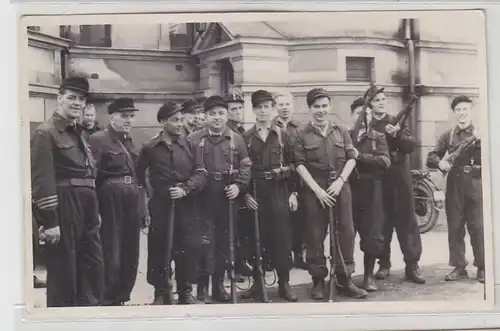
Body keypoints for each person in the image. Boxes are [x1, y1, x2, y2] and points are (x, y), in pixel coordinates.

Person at [30, 76, 104, 307]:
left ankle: (87, 314)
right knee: (65, 269)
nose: (77, 103)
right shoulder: (46, 132)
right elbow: (42, 179)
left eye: (81, 99)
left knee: (91, 264)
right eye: (71, 97)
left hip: (87, 205)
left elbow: (88, 175)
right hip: (65, 204)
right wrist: (50, 221)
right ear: (59, 98)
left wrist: (95, 209)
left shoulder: (77, 133)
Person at [291, 88, 367, 300]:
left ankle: (344, 278)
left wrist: (342, 180)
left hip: (340, 187)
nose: (321, 110)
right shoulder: (300, 133)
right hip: (314, 190)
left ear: (329, 107)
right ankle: (317, 280)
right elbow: (299, 165)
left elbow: (352, 157)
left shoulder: (340, 130)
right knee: (315, 235)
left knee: (346, 232)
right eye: (316, 106)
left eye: (324, 106)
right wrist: (317, 191)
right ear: (309, 109)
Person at [136, 102, 207, 305]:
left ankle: (185, 292)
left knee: (188, 248)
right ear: (162, 122)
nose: (179, 124)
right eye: (174, 120)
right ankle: (161, 291)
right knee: (160, 248)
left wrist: (185, 189)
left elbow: (201, 173)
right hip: (161, 206)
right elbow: (139, 176)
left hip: (187, 205)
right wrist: (151, 197)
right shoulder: (150, 147)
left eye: (181, 120)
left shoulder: (191, 145)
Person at [187, 96, 252, 303]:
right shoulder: (194, 139)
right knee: (203, 242)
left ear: (227, 115)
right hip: (202, 196)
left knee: (225, 242)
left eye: (221, 113)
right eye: (212, 114)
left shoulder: (236, 139)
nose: (217, 118)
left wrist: (238, 185)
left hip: (227, 195)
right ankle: (202, 288)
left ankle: (218, 287)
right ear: (205, 116)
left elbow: (246, 166)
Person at [87, 98, 147, 306]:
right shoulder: (98, 139)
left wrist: (143, 206)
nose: (128, 120)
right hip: (109, 198)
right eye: (124, 116)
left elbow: (139, 177)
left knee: (131, 247)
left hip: (131, 196)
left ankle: (122, 293)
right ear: (112, 118)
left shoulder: (132, 140)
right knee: (110, 247)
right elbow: (91, 176)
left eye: (131, 116)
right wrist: (95, 209)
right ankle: (107, 294)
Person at [240, 89, 298, 302]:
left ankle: (284, 283)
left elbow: (294, 165)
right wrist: (245, 194)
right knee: (255, 237)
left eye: (267, 107)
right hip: (256, 192)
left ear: (272, 109)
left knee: (282, 238)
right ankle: (258, 282)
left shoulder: (283, 136)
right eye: (259, 107)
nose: (263, 111)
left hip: (279, 191)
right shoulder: (245, 138)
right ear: (253, 110)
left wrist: (293, 192)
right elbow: (241, 170)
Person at [368, 87, 426, 284]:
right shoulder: (368, 126)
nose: (381, 103)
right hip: (380, 177)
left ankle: (412, 265)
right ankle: (383, 263)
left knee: (407, 222)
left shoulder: (398, 121)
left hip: (400, 177)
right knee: (381, 222)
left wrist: (398, 134)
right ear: (370, 105)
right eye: (376, 100)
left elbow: (411, 145)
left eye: (383, 99)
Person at [426, 95, 484, 283]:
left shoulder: (481, 132)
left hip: (476, 183)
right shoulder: (448, 135)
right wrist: (440, 162)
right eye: (458, 110)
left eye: (465, 109)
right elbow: (431, 156)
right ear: (454, 113)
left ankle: (482, 266)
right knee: (455, 226)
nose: (462, 113)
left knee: (478, 226)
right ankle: (459, 266)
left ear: (471, 111)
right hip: (455, 184)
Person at [349, 97, 391, 292]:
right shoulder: (345, 136)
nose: (361, 117)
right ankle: (345, 277)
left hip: (372, 190)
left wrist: (361, 157)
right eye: (358, 113)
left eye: (365, 113)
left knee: (373, 235)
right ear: (352, 116)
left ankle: (368, 276)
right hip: (349, 191)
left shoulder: (378, 136)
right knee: (347, 234)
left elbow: (385, 161)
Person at [272, 91, 308, 270]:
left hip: (298, 178)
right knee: (279, 219)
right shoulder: (270, 127)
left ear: (292, 106)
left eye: (287, 104)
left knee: (299, 219)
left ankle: (299, 254)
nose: (284, 108)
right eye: (280, 104)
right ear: (275, 107)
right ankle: (279, 256)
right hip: (278, 180)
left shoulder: (300, 128)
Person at [224, 90, 254, 281]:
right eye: (233, 109)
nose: (237, 112)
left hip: (242, 186)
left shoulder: (242, 132)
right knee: (230, 228)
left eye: (240, 108)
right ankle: (230, 267)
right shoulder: (226, 132)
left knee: (242, 227)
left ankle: (241, 261)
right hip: (229, 186)